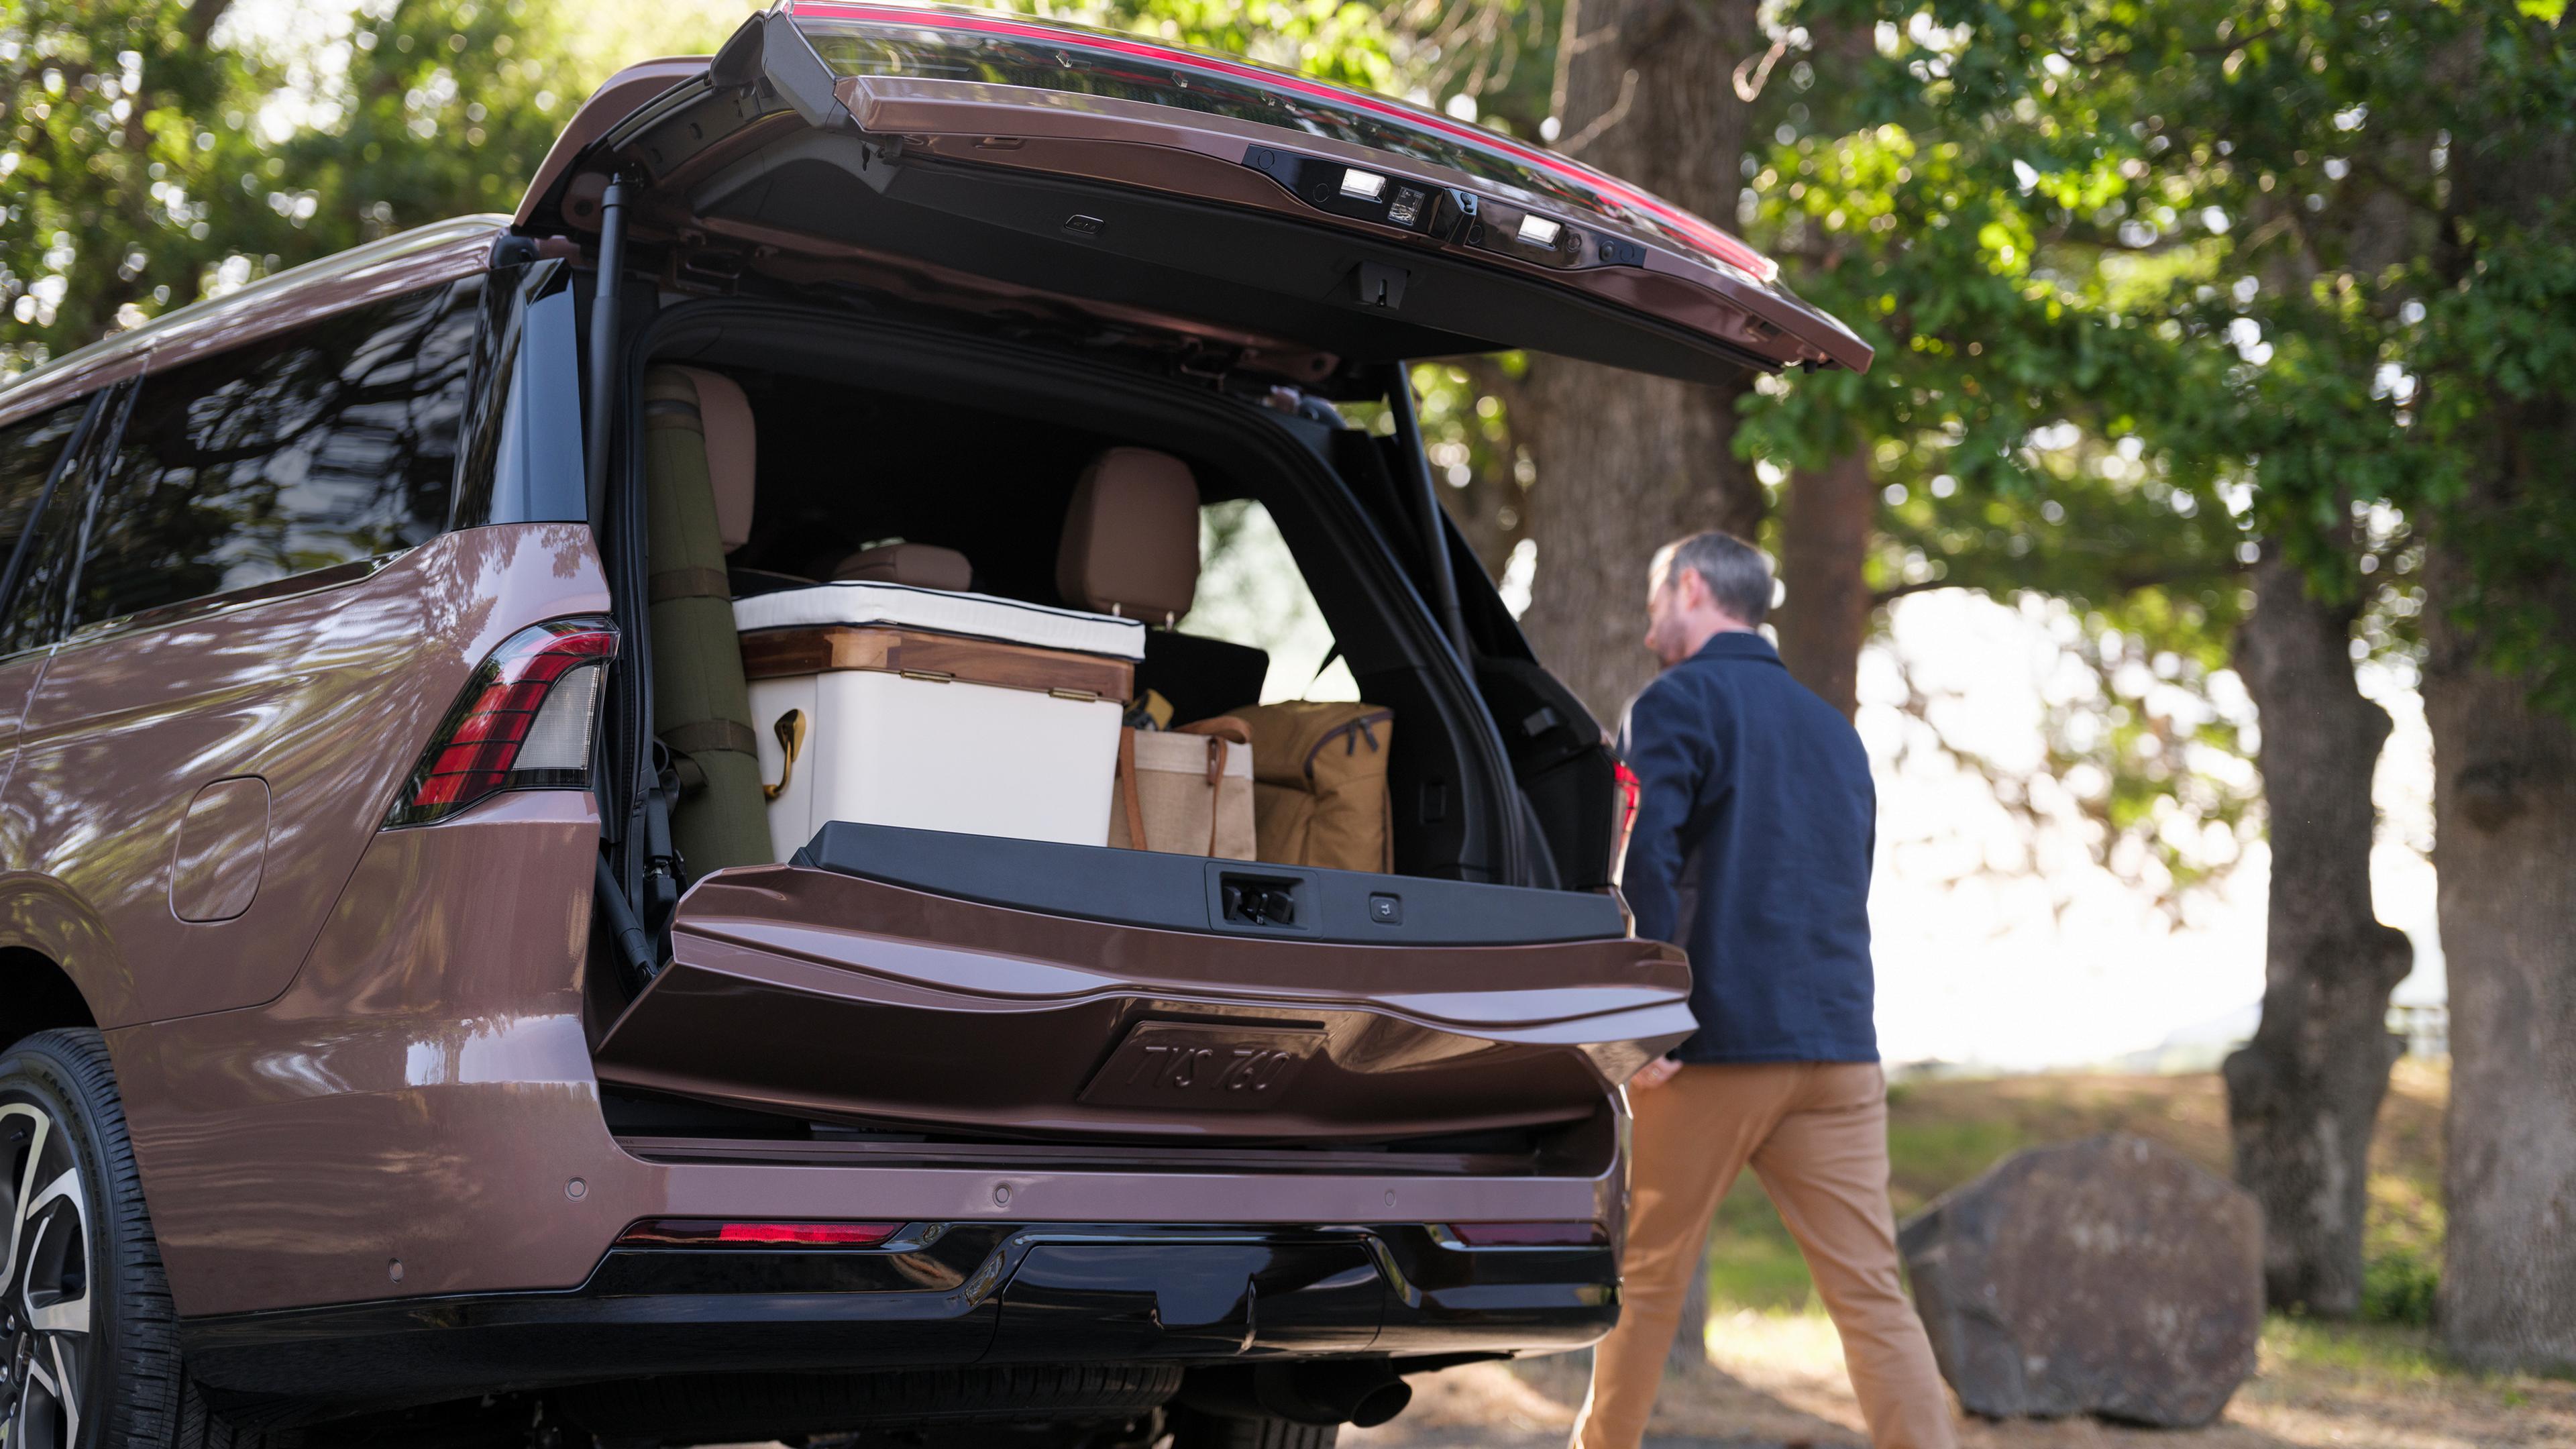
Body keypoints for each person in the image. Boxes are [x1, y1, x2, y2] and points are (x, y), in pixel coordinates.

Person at [1570, 531, 1955, 1449]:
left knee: (1650, 1278)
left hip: (1713, 1050)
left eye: (1657, 593)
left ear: (1694, 588)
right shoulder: (1834, 729)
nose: (1648, 616)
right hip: (1839, 1053)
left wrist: (1644, 1028)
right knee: (1870, 1295)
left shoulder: (1673, 704)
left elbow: (1646, 866)